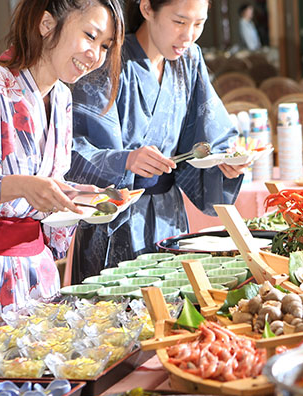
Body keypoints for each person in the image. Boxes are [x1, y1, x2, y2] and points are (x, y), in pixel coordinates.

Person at [0, 0, 124, 347]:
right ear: (47, 24)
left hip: (38, 273)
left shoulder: (61, 98)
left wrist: (73, 195)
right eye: (90, 35)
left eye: (105, 46)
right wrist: (21, 187)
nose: (96, 55)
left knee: (42, 388)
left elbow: (42, 182)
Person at [68, 0, 250, 282]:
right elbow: (69, 150)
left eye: (198, 24)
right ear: (147, 9)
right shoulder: (106, 59)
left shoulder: (189, 59)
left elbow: (209, 136)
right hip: (114, 221)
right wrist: (125, 160)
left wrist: (226, 161)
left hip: (169, 217)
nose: (188, 36)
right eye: (179, 22)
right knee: (113, 319)